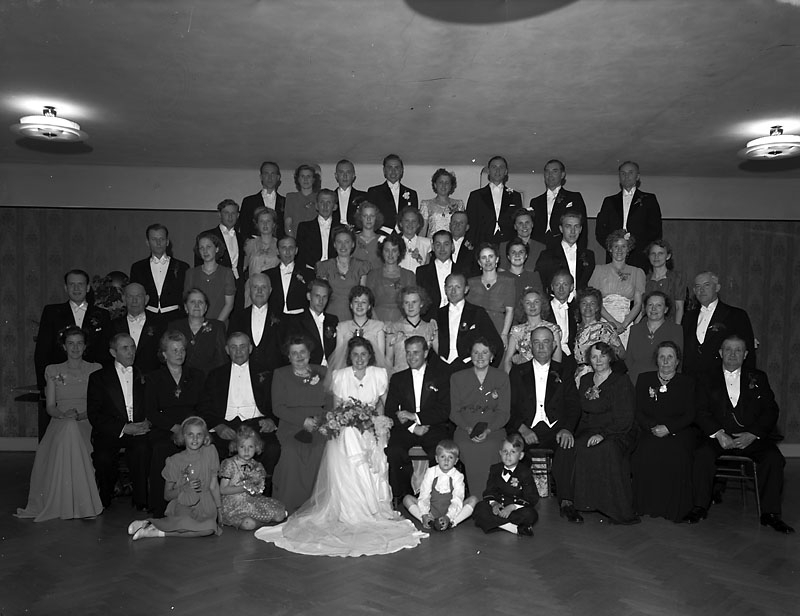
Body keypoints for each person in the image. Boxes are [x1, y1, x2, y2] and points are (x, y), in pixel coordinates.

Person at [255, 337, 426, 557]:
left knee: (370, 441)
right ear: (349, 356)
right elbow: (335, 410)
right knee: (349, 436)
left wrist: (378, 423)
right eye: (355, 354)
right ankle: (351, 507)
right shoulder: (339, 376)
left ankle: (372, 506)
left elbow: (386, 405)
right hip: (346, 427)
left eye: (363, 354)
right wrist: (348, 420)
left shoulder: (379, 374)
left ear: (370, 356)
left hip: (373, 427)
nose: (360, 359)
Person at [684, 335, 794, 533]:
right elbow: (700, 410)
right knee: (701, 455)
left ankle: (770, 514)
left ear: (745, 354)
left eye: (738, 350)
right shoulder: (705, 377)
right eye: (728, 349)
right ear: (720, 353)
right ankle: (699, 507)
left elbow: (771, 410)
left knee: (773, 458)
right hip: (718, 436)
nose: (732, 354)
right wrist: (719, 434)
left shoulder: (758, 377)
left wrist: (752, 434)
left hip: (750, 436)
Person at [16, 327, 103, 521]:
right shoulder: (53, 370)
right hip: (60, 420)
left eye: (79, 343)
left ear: (85, 346)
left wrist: (80, 416)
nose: (75, 348)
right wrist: (65, 416)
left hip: (87, 420)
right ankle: (70, 503)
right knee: (68, 428)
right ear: (64, 346)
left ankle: (80, 502)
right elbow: (50, 407)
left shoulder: (95, 369)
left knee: (72, 428)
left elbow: (99, 404)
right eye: (70, 343)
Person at [557, 342, 639, 524]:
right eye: (594, 356)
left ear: (610, 357)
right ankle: (573, 502)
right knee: (568, 447)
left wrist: (603, 435)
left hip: (617, 431)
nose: (598, 360)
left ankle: (612, 507)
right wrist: (571, 432)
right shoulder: (586, 380)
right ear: (589, 360)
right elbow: (581, 412)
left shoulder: (621, 381)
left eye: (602, 356)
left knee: (604, 449)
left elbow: (625, 418)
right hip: (589, 430)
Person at [507, 326, 583, 522]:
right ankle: (518, 500)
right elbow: (509, 407)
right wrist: (522, 428)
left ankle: (566, 501)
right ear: (530, 346)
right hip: (526, 428)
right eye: (537, 342)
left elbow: (573, 405)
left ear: (554, 345)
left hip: (555, 429)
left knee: (567, 447)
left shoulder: (564, 371)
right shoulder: (517, 372)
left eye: (546, 342)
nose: (541, 347)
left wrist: (566, 428)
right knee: (514, 449)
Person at [199, 331, 281, 495]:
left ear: (250, 348)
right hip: (226, 425)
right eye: (233, 347)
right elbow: (204, 406)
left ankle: (262, 495)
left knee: (272, 448)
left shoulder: (266, 372)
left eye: (242, 347)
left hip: (256, 424)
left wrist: (272, 420)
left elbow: (278, 401)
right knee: (211, 449)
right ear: (227, 350)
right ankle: (219, 499)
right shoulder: (215, 374)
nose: (238, 351)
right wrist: (218, 426)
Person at [127, 416, 222, 540]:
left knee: (209, 529)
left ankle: (155, 531)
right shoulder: (174, 461)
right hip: (183, 505)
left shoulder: (210, 452)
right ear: (183, 436)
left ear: (205, 437)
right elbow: (167, 495)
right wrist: (184, 488)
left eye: (199, 435)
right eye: (190, 435)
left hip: (205, 506)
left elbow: (214, 485)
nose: (195, 439)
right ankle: (149, 523)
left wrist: (219, 509)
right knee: (185, 522)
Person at [144, 330, 206, 517]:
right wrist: (175, 428)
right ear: (164, 354)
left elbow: (203, 406)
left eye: (182, 350)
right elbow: (151, 411)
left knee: (207, 447)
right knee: (161, 449)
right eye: (174, 350)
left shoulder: (196, 375)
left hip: (192, 427)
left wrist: (190, 427)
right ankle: (160, 507)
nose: (180, 354)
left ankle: (201, 504)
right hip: (165, 428)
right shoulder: (153, 378)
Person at [632, 341, 695, 522]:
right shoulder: (644, 379)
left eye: (670, 357)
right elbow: (638, 410)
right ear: (656, 360)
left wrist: (669, 428)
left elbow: (690, 414)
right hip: (650, 430)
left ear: (677, 361)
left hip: (678, 431)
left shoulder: (687, 382)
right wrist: (652, 427)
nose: (666, 361)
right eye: (662, 357)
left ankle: (673, 508)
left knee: (677, 454)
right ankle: (645, 505)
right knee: (644, 452)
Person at [87, 333, 151, 510]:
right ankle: (105, 496)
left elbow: (153, 405)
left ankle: (141, 500)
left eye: (132, 347)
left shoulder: (144, 375)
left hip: (139, 429)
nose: (131, 352)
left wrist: (148, 422)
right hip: (111, 431)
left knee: (143, 449)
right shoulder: (98, 378)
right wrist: (123, 428)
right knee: (103, 458)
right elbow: (95, 414)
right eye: (125, 348)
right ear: (113, 352)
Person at [385, 336, 452, 500]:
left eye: (416, 352)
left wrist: (416, 417)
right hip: (406, 428)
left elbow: (444, 410)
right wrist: (413, 427)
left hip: (433, 426)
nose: (411, 357)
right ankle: (404, 495)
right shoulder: (398, 379)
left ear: (426, 353)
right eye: (408, 353)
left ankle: (437, 496)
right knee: (394, 451)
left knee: (439, 452)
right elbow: (390, 411)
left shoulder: (441, 377)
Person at [271, 335, 328, 513]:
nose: (299, 356)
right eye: (294, 353)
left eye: (302, 351)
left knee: (321, 450)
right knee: (292, 451)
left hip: (319, 424)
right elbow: (277, 407)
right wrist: (303, 421)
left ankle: (317, 505)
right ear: (288, 356)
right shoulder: (280, 374)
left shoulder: (323, 371)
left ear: (309, 353)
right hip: (291, 424)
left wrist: (321, 421)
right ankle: (290, 504)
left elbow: (331, 402)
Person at [450, 337, 510, 497]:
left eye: (485, 352)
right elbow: (454, 412)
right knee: (468, 446)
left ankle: (491, 496)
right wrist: (468, 428)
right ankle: (476, 497)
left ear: (492, 356)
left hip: (494, 428)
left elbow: (504, 412)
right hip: (465, 428)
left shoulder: (502, 377)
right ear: (470, 355)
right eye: (476, 352)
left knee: (492, 446)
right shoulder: (457, 378)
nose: (480, 356)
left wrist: (489, 430)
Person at [34, 269, 111, 393]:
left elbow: (105, 352)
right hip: (60, 380)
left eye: (80, 284)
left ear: (87, 288)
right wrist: (44, 385)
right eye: (72, 284)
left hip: (92, 380)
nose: (76, 288)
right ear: (65, 288)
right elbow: (42, 351)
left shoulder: (102, 315)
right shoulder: (52, 313)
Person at [682, 271, 756, 380]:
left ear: (717, 288)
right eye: (698, 286)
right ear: (694, 290)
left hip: (722, 381)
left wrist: (747, 381)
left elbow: (748, 351)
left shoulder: (736, 316)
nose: (701, 290)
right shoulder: (688, 317)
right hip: (691, 380)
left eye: (707, 285)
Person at [595, 161, 663, 271]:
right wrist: (612, 246)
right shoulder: (609, 201)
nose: (626, 176)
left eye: (630, 173)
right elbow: (600, 230)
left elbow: (655, 230)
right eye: (623, 173)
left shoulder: (649, 199)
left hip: (640, 255)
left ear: (638, 176)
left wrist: (641, 248)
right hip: (614, 256)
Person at [218, 425, 287, 529]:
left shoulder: (257, 466)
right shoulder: (230, 463)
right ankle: (259, 523)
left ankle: (263, 519)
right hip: (234, 505)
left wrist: (256, 488)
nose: (246, 451)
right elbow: (223, 490)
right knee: (248, 524)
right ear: (236, 447)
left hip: (252, 501)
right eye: (242, 447)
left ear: (256, 447)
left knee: (280, 515)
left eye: (250, 447)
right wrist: (244, 488)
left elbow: (259, 488)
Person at [588, 229, 646, 348]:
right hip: (604, 321)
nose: (619, 250)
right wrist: (613, 323)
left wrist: (624, 325)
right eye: (616, 246)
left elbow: (638, 304)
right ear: (610, 248)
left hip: (626, 323)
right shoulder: (598, 270)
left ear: (628, 249)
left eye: (623, 246)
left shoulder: (637, 272)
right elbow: (595, 301)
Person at [402, 440, 478, 530]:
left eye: (450, 457)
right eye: (442, 457)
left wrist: (449, 516)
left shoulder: (458, 476)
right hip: (431, 511)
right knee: (407, 499)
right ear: (437, 459)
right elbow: (424, 494)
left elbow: (458, 499)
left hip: (451, 512)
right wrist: (424, 513)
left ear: (456, 461)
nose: (446, 460)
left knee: (474, 500)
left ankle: (452, 522)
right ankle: (426, 520)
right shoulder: (430, 472)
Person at [435, 272, 503, 373]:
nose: (453, 291)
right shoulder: (438, 314)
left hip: (469, 367)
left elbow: (496, 344)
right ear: (445, 289)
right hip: (442, 367)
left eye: (458, 287)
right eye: (450, 287)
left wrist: (488, 370)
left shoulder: (477, 312)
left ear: (466, 289)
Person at [472, 433, 538, 536]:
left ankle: (494, 523)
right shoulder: (495, 469)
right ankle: (514, 529)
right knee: (479, 508)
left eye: (513, 452)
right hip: (498, 508)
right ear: (500, 453)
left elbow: (532, 497)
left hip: (515, 510)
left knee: (531, 514)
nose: (508, 455)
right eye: (505, 451)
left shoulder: (525, 472)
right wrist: (494, 504)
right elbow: (489, 491)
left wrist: (512, 507)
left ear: (521, 455)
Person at [129, 223, 189, 327]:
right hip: (148, 318)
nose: (158, 243)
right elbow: (134, 295)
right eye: (154, 239)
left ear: (167, 242)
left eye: (162, 239)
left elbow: (186, 295)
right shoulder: (138, 268)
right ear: (147, 242)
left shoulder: (182, 267)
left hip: (176, 317)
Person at [228, 273, 284, 375]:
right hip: (245, 374)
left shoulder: (284, 319)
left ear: (270, 290)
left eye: (263, 287)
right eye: (255, 287)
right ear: (249, 290)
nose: (259, 291)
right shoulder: (237, 317)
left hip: (276, 375)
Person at [326, 285, 388, 377]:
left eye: (364, 302)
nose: (359, 305)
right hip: (348, 373)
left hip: (372, 373)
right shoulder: (342, 327)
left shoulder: (378, 327)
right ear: (351, 305)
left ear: (369, 306)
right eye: (356, 301)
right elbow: (339, 357)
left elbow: (381, 357)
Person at [625, 291, 684, 385]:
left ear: (666, 309)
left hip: (664, 382)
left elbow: (678, 363)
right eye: (650, 305)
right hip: (636, 381)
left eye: (659, 305)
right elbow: (629, 360)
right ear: (645, 308)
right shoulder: (635, 329)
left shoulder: (676, 330)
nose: (653, 308)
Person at [315, 225, 371, 321]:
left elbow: (363, 297)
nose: (343, 246)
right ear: (334, 245)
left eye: (347, 242)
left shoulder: (361, 266)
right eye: (339, 242)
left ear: (353, 244)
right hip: (330, 315)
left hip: (354, 316)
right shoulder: (325, 267)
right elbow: (322, 296)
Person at [529, 158, 588, 249]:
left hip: (564, 245)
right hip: (539, 245)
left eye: (554, 171)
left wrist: (580, 250)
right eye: (547, 171)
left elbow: (581, 225)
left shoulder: (574, 197)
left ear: (562, 175)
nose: (550, 175)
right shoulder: (535, 201)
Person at [573, 287, 626, 386]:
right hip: (578, 376)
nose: (588, 306)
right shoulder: (573, 328)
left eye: (592, 303)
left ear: (597, 307)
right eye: (584, 303)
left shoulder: (605, 328)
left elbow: (623, 354)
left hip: (600, 374)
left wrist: (612, 350)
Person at [465, 155, 522, 246]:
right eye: (494, 167)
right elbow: (471, 221)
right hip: (482, 240)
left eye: (501, 167)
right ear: (488, 170)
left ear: (506, 171)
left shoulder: (515, 196)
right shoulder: (476, 195)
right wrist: (470, 241)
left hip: (508, 242)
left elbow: (518, 220)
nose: (497, 170)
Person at [170, 289, 227, 378]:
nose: (196, 305)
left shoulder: (217, 327)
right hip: (182, 379)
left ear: (206, 307)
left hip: (209, 380)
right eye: (192, 302)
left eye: (200, 302)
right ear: (185, 307)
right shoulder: (175, 327)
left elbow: (222, 361)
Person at [109, 282, 163, 375]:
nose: (134, 301)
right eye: (130, 296)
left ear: (146, 299)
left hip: (152, 378)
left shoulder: (160, 324)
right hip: (121, 377)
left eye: (139, 296)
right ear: (124, 299)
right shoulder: (113, 325)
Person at [467, 243, 515, 344]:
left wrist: (504, 334)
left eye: (491, 256)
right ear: (479, 262)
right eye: (483, 257)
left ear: (497, 259)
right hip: (476, 330)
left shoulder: (508, 282)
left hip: (498, 329)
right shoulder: (471, 283)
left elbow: (509, 311)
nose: (487, 260)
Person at [502, 291, 562, 372]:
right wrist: (513, 378)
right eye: (528, 303)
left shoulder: (552, 329)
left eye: (536, 302)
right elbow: (507, 361)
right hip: (523, 375)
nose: (532, 305)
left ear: (542, 304)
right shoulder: (516, 331)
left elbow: (557, 360)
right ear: (522, 306)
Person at [535, 211, 595, 292]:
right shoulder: (547, 255)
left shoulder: (589, 256)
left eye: (576, 226)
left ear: (580, 229)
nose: (573, 231)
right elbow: (540, 283)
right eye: (568, 226)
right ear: (561, 229)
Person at [184, 231, 236, 323]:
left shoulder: (226, 273)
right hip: (196, 324)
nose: (205, 251)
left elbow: (229, 305)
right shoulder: (191, 273)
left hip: (220, 324)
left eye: (208, 247)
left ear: (216, 249)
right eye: (201, 248)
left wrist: (216, 326)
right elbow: (188, 303)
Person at [286, 278, 338, 366]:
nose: (321, 301)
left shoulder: (333, 320)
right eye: (317, 296)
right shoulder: (297, 321)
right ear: (309, 296)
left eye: (324, 297)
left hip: (331, 369)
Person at [385, 286, 438, 373]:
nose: (410, 306)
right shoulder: (393, 328)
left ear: (421, 303)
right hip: (399, 376)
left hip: (422, 376)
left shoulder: (430, 328)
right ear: (402, 305)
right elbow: (388, 359)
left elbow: (440, 355)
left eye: (414, 302)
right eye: (406, 302)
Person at [263, 236, 314, 324]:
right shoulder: (267, 275)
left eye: (291, 247)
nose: (287, 251)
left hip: (300, 321)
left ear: (296, 250)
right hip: (275, 322)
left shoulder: (308, 274)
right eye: (283, 248)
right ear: (277, 251)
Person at [193, 199, 245, 284]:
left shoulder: (242, 238)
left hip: (238, 283)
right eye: (226, 213)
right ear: (219, 214)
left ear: (238, 215)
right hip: (215, 282)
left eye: (233, 213)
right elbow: (199, 264)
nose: (230, 216)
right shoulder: (207, 236)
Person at [366, 234, 416, 323]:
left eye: (394, 250)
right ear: (382, 252)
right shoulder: (372, 275)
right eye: (386, 250)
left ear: (399, 252)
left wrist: (398, 325)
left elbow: (412, 303)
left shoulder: (409, 275)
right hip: (376, 323)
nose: (390, 254)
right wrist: (378, 324)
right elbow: (367, 302)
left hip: (403, 323)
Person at [366, 154, 419, 233]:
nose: (393, 171)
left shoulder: (412, 194)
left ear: (401, 171)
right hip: (381, 234)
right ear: (384, 170)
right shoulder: (374, 192)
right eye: (389, 167)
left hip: (405, 234)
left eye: (396, 167)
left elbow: (414, 218)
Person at [416, 229, 456, 320]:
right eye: (438, 245)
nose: (442, 249)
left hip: (456, 318)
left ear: (452, 246)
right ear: (433, 247)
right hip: (430, 320)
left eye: (446, 244)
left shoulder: (462, 271)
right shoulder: (422, 272)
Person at [240, 161, 285, 241]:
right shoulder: (249, 201)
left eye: (273, 174)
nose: (270, 177)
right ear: (261, 177)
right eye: (266, 173)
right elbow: (244, 228)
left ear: (278, 177)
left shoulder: (286, 202)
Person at [644, 239, 686, 324]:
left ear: (668, 256)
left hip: (669, 325)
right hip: (647, 325)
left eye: (660, 253)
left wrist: (676, 328)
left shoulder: (676, 278)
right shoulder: (645, 279)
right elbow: (642, 308)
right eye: (653, 253)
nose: (656, 257)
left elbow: (679, 307)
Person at [242, 206, 280, 297]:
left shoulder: (280, 245)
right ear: (257, 224)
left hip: (273, 288)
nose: (265, 224)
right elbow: (243, 267)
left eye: (268, 221)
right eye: (262, 221)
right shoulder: (249, 244)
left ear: (274, 224)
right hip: (253, 288)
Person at [295, 189, 338, 268]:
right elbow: (300, 254)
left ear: (335, 207)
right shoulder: (304, 227)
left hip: (336, 271)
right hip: (311, 270)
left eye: (328, 202)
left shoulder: (341, 228)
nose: (325, 206)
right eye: (322, 202)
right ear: (317, 206)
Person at [549, 269, 579, 380]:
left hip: (570, 358)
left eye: (565, 285)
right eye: (557, 285)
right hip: (548, 357)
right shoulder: (543, 309)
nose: (561, 289)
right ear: (552, 287)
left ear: (571, 287)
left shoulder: (575, 309)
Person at [419, 168, 464, 237]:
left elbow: (462, 229)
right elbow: (422, 231)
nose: (444, 185)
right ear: (435, 185)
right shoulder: (426, 205)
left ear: (451, 186)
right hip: (432, 242)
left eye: (447, 183)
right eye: (441, 182)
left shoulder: (459, 204)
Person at [498, 209, 545, 274]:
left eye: (527, 222)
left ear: (532, 224)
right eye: (520, 223)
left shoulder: (541, 248)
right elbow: (501, 271)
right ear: (515, 226)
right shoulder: (504, 246)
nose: (524, 226)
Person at [502, 238, 543, 308]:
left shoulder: (534, 277)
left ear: (526, 255)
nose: (517, 255)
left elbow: (540, 301)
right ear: (508, 256)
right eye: (513, 252)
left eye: (521, 252)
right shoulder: (500, 277)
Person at [283, 163, 320, 238]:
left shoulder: (319, 197)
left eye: (308, 176)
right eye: (302, 176)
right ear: (298, 179)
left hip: (315, 239)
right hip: (296, 238)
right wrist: (293, 240)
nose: (305, 179)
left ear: (313, 179)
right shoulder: (291, 197)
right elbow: (288, 224)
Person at [352, 200, 387, 271]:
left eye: (372, 216)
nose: (368, 219)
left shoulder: (383, 240)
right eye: (365, 216)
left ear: (376, 218)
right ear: (360, 218)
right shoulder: (352, 239)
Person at [396, 206, 431, 273]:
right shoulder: (394, 242)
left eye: (414, 221)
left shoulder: (426, 243)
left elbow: (427, 267)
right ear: (400, 223)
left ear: (418, 224)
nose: (410, 224)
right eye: (407, 221)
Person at [332, 159, 367, 226]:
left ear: (353, 175)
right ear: (336, 176)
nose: (345, 176)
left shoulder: (363, 197)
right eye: (341, 172)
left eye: (348, 172)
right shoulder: (329, 197)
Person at [450, 211, 478, 276]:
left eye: (461, 223)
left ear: (467, 227)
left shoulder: (475, 248)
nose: (457, 225)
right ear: (450, 225)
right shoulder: (441, 245)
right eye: (454, 222)